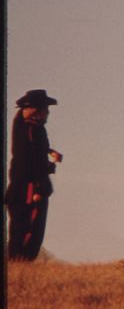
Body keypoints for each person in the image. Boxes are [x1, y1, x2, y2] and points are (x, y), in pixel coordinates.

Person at [5, 89, 62, 261]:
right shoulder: (35, 130)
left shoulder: (22, 127)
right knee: (29, 231)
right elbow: (34, 162)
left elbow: (32, 152)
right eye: (45, 109)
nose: (48, 113)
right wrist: (39, 188)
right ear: (38, 111)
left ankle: (18, 264)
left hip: (19, 188)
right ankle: (20, 264)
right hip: (29, 191)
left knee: (19, 230)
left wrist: (49, 152)